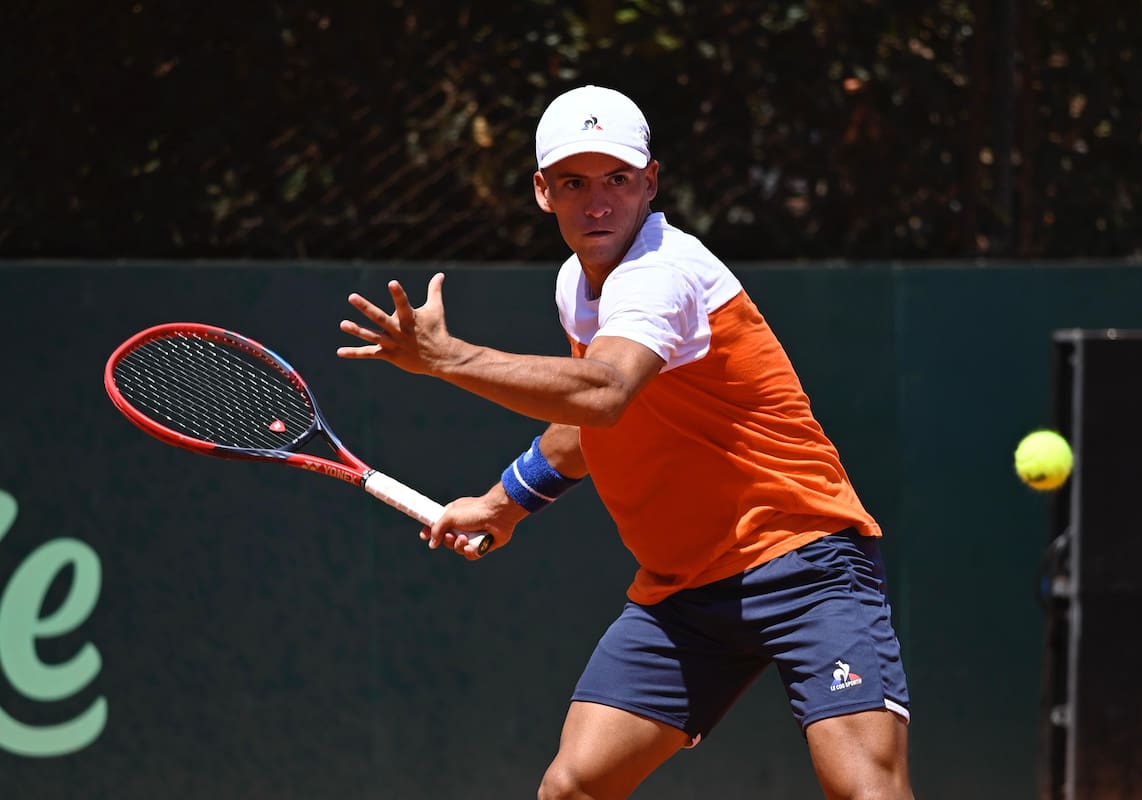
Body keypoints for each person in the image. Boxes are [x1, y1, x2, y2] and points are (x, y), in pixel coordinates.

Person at [337, 85, 913, 800]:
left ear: (651, 183)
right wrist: (503, 503)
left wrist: (447, 358)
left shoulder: (661, 273)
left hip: (804, 558)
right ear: (543, 192)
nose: (598, 202)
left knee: (865, 790)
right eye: (574, 183)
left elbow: (604, 393)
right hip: (684, 590)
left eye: (617, 179)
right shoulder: (576, 285)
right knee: (573, 787)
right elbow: (595, 423)